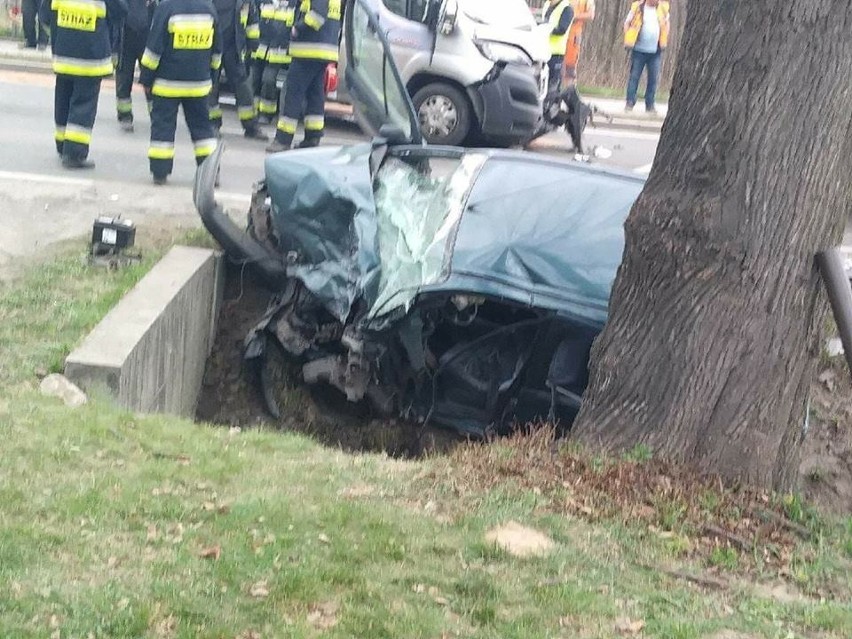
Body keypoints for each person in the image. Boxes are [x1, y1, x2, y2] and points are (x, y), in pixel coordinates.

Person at [139, 0, 221, 184]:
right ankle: (210, 174)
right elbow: (217, 50)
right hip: (199, 84)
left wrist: (146, 78)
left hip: (167, 83)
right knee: (202, 129)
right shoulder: (208, 8)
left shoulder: (167, 7)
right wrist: (211, 78)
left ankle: (160, 173)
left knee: (163, 127)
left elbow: (154, 48)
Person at [40, 0, 128, 169]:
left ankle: (62, 144)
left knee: (63, 100)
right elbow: (121, 11)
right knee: (83, 105)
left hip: (64, 54)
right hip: (90, 57)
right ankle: (74, 154)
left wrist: (60, 37)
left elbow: (44, 15)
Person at [266, 0, 341, 153]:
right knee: (315, 95)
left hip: (308, 50)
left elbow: (316, 17)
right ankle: (313, 136)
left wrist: (296, 28)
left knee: (293, 94)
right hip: (323, 50)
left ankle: (283, 139)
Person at [208, 0, 266, 139]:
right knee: (211, 86)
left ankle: (251, 126)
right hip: (211, 45)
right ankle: (212, 124)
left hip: (234, 47)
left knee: (243, 87)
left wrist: (253, 43)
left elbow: (252, 18)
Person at [251, 0, 295, 123]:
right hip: (261, 46)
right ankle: (253, 112)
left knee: (268, 80)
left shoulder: (294, 3)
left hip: (279, 49)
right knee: (255, 79)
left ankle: (266, 113)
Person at [115, 0, 156, 131]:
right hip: (126, 37)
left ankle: (156, 115)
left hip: (146, 37)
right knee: (124, 79)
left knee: (150, 80)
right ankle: (125, 115)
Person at [623, 0, 670, 114]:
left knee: (653, 79)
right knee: (634, 76)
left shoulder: (663, 8)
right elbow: (627, 23)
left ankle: (650, 104)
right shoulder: (637, 7)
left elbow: (667, 23)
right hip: (638, 49)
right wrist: (628, 37)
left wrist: (664, 37)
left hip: (655, 51)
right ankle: (630, 101)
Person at [543, 0, 574, 93]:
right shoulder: (547, 5)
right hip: (542, 52)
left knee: (553, 86)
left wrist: (545, 29)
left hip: (556, 53)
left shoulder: (567, 8)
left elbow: (562, 29)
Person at [562, 0, 595, 86]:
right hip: (559, 33)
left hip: (574, 34)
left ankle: (569, 90)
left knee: (570, 66)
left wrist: (574, 16)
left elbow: (590, 15)